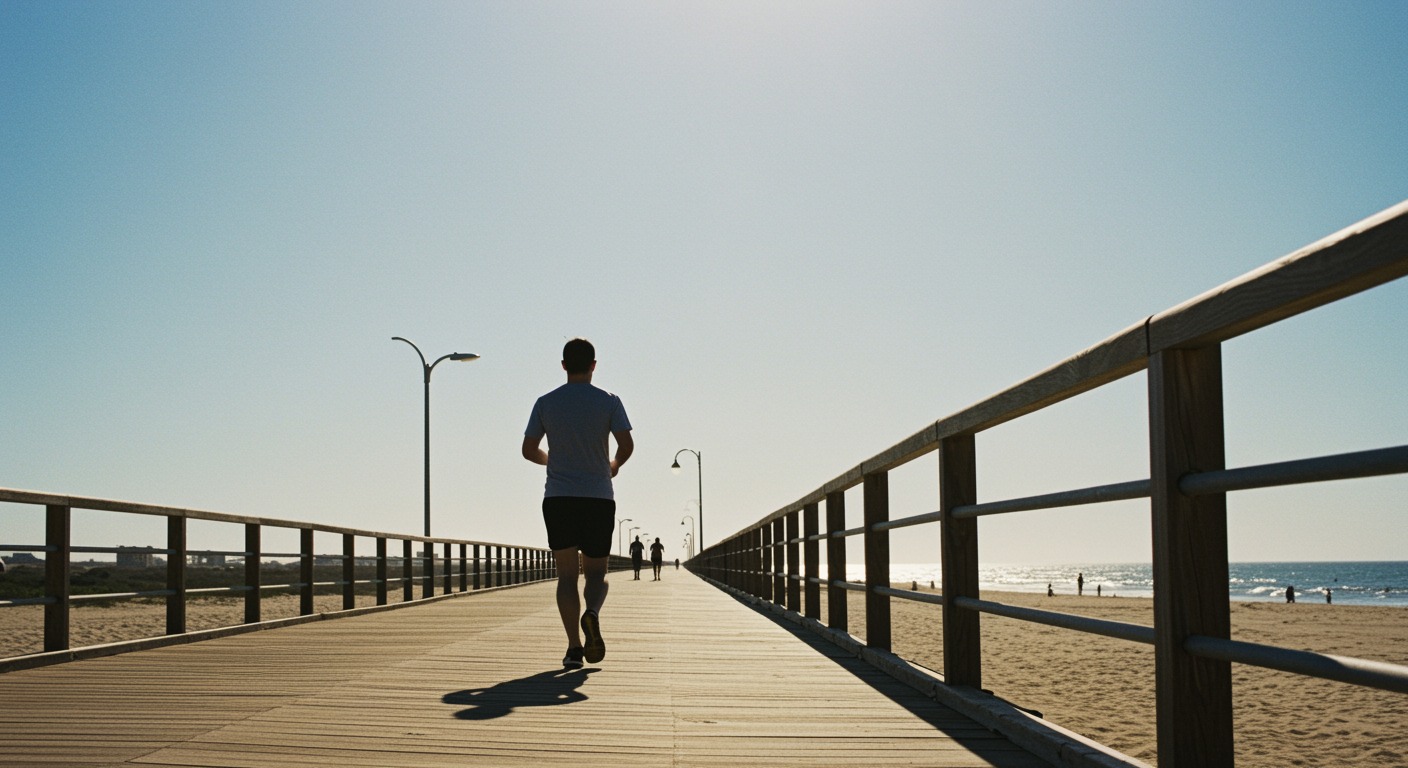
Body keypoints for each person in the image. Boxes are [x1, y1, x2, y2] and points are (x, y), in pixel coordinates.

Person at [522, 338, 633, 669]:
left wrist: (552, 460)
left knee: (567, 576)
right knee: (597, 573)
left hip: (558, 497)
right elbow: (626, 444)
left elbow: (529, 449)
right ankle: (593, 613)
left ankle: (573, 648)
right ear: (594, 365)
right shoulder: (609, 402)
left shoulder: (546, 402)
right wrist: (613, 465)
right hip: (598, 497)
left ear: (564, 365)